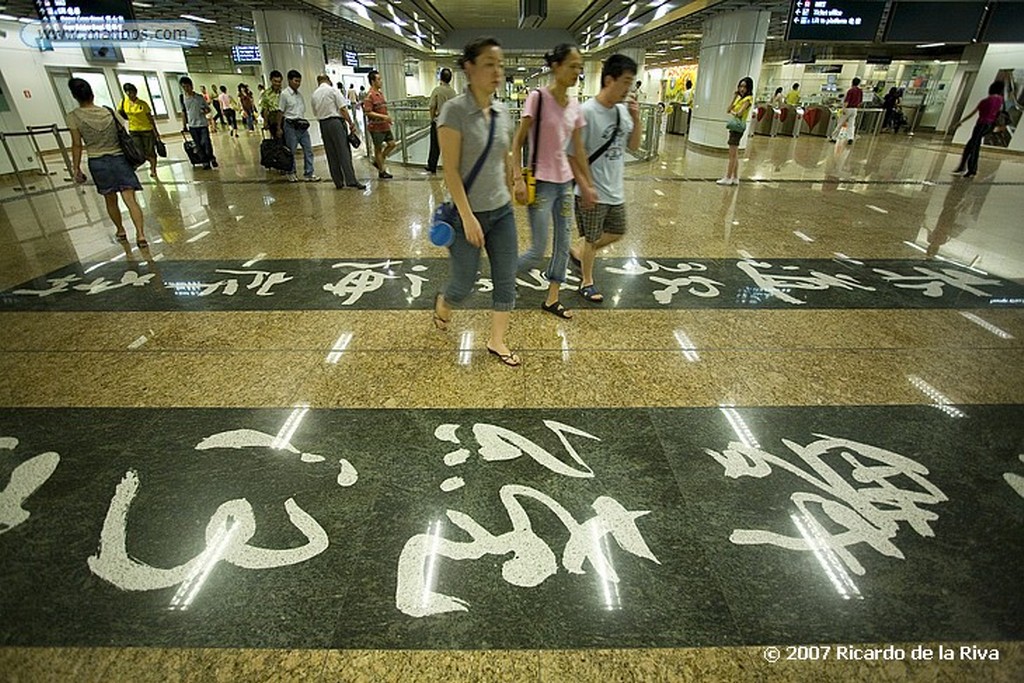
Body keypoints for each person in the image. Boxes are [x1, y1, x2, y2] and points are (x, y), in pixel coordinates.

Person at [431, 37, 521, 367]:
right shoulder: (453, 111)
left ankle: (497, 340)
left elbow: (506, 154)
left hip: (501, 212)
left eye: (500, 64)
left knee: (506, 278)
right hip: (464, 215)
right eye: (489, 64)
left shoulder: (502, 111)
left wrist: (515, 178)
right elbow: (451, 170)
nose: (497, 71)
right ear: (469, 68)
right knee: (463, 283)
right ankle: (443, 302)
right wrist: (468, 217)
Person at [512, 43, 599, 321]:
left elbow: (578, 148)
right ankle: (503, 271)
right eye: (572, 66)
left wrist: (587, 183)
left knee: (563, 245)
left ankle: (552, 299)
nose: (577, 72)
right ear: (556, 66)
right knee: (537, 249)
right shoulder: (537, 98)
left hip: (565, 185)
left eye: (580, 67)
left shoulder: (575, 105)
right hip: (540, 183)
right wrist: (517, 177)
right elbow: (518, 140)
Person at [567, 54, 641, 305]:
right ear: (609, 80)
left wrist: (637, 117)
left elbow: (633, 145)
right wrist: (585, 186)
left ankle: (578, 252)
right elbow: (572, 154)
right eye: (626, 82)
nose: (628, 88)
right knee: (591, 237)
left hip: (615, 189)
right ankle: (586, 282)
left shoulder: (622, 111)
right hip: (592, 190)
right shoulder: (586, 112)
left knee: (617, 231)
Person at [66, 77, 148, 248]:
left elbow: (76, 144)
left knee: (110, 200)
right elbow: (122, 131)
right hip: (119, 159)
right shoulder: (108, 112)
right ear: (92, 94)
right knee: (130, 199)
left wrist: (75, 168)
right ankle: (140, 235)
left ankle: (120, 230)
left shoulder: (74, 117)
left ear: (75, 96)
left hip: (97, 162)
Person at [312, 74, 365, 189]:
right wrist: (351, 123)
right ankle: (351, 180)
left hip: (323, 124)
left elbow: (315, 112)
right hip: (336, 123)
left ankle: (338, 182)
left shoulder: (314, 94)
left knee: (331, 153)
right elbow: (342, 109)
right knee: (343, 152)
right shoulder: (333, 91)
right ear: (329, 80)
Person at [951, 81, 1005, 178]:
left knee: (974, 147)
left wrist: (960, 121)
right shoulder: (1000, 100)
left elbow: (973, 113)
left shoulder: (986, 101)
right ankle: (963, 166)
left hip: (981, 125)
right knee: (970, 146)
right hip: (989, 125)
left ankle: (971, 169)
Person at [280, 70, 319, 182]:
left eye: (299, 81)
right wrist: (279, 128)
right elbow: (280, 111)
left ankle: (309, 173)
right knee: (291, 151)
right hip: (290, 125)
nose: (298, 83)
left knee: (308, 149)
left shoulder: (299, 95)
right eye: (296, 81)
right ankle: (291, 172)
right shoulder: (284, 94)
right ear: (289, 80)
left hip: (301, 125)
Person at [118, 82, 161, 179]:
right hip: (134, 130)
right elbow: (119, 113)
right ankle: (145, 160)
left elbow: (150, 118)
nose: (130, 94)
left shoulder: (143, 104)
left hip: (146, 130)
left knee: (150, 151)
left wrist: (156, 131)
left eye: (131, 92)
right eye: (127, 92)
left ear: (135, 92)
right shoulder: (123, 103)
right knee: (138, 152)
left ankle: (153, 169)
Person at [363, 70, 400, 179]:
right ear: (372, 81)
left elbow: (382, 109)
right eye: (378, 79)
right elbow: (368, 112)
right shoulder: (369, 96)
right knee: (378, 148)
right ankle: (381, 170)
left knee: (392, 144)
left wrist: (387, 119)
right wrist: (383, 117)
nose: (381, 81)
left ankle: (378, 161)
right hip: (376, 127)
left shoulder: (380, 94)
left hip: (384, 125)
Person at [717, 76, 753, 186]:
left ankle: (728, 177)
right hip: (735, 127)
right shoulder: (740, 99)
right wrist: (734, 98)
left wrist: (733, 112)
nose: (742, 89)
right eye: (740, 86)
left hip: (738, 127)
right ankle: (735, 177)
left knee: (732, 155)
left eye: (744, 87)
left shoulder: (748, 99)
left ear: (748, 88)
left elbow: (739, 113)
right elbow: (728, 109)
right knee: (735, 154)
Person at [180, 76, 217, 170]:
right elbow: (184, 112)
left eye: (187, 86)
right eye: (183, 87)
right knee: (198, 144)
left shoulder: (199, 98)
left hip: (203, 124)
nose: (186, 89)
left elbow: (208, 109)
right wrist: (184, 125)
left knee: (206, 142)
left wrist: (205, 110)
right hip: (192, 125)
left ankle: (211, 157)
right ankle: (205, 161)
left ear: (191, 86)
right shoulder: (182, 99)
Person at [426, 67, 457, 174]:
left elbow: (432, 106)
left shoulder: (437, 90)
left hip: (438, 121)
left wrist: (432, 119)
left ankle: (432, 166)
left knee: (435, 145)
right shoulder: (453, 92)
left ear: (440, 77)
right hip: (449, 123)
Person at [829, 77, 863, 144]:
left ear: (852, 82)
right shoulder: (860, 91)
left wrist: (843, 109)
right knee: (851, 124)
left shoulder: (850, 91)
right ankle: (850, 138)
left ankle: (834, 137)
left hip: (848, 108)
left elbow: (846, 102)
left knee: (840, 123)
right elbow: (860, 102)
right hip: (855, 109)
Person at [259, 71, 284, 140]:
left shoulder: (284, 93)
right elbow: (265, 109)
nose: (277, 84)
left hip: (285, 118)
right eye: (275, 81)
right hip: (273, 119)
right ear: (271, 80)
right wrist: (265, 122)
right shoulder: (266, 94)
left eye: (279, 82)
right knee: (277, 140)